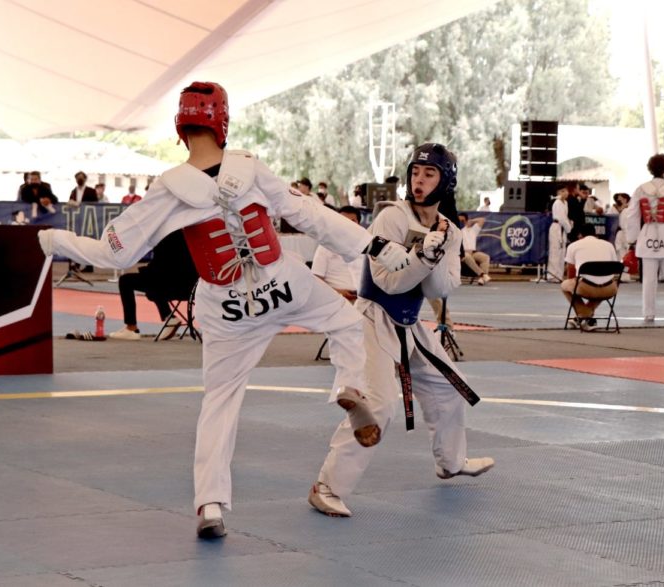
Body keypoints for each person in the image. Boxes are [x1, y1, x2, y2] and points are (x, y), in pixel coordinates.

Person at [36, 81, 411, 539]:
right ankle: (350, 388)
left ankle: (210, 505)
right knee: (346, 322)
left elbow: (115, 252)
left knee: (219, 400)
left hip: (226, 301)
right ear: (223, 122)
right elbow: (308, 213)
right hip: (282, 279)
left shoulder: (167, 189)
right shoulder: (249, 167)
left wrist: (57, 241)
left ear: (181, 127)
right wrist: (373, 245)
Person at [308, 143, 494, 519]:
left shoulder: (449, 230)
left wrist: (435, 255)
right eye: (415, 173)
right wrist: (422, 256)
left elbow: (439, 290)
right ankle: (327, 486)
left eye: (429, 174)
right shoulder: (392, 217)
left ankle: (450, 462)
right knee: (378, 405)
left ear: (446, 181)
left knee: (450, 387)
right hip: (373, 317)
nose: (419, 180)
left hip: (410, 324)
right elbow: (385, 282)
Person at [624, 153, 664, 324]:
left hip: (647, 234)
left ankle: (648, 314)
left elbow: (631, 215)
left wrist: (631, 239)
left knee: (648, 279)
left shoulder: (641, 189)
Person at [110, 229, 198, 341]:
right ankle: (169, 317)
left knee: (125, 281)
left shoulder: (164, 235)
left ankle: (131, 328)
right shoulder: (187, 232)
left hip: (171, 285)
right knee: (152, 285)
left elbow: (160, 267)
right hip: (192, 288)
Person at [561, 223, 619, 331]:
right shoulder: (609, 245)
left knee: (565, 285)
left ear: (580, 235)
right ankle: (584, 316)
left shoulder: (573, 246)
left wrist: (572, 282)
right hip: (610, 289)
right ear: (595, 234)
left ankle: (585, 316)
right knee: (601, 282)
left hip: (586, 287)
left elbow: (571, 272)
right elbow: (615, 268)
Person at [311, 206, 364, 301]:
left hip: (363, 300)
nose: (347, 225)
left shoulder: (365, 246)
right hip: (335, 299)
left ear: (359, 224)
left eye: (352, 221)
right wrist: (337, 292)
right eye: (343, 221)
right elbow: (316, 279)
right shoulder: (325, 246)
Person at [458, 213, 491, 285]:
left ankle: (482, 279)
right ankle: (482, 275)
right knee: (467, 256)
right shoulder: (457, 231)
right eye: (459, 220)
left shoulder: (473, 230)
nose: (461, 222)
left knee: (485, 257)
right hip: (462, 254)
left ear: (466, 221)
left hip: (473, 253)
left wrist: (472, 221)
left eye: (462, 221)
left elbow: (482, 220)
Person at [548, 187, 572, 281]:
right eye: (563, 191)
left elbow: (565, 217)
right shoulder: (557, 203)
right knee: (555, 251)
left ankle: (559, 275)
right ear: (558, 192)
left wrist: (569, 224)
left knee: (562, 252)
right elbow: (561, 218)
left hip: (563, 229)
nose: (565, 193)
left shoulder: (565, 203)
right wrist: (569, 228)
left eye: (566, 191)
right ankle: (552, 275)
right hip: (557, 227)